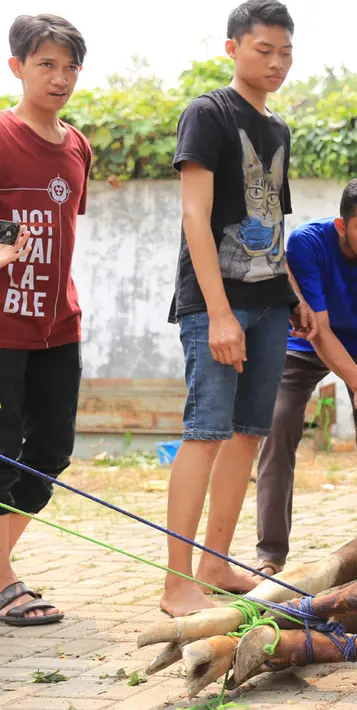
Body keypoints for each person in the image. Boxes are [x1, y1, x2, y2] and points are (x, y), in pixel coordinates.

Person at [160, 0, 316, 617]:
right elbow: (195, 215)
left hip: (270, 303)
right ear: (232, 48)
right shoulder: (208, 113)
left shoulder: (277, 128)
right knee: (204, 434)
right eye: (263, 50)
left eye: (285, 53)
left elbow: (273, 223)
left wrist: (296, 297)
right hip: (215, 305)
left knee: (248, 435)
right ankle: (176, 583)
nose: (276, 63)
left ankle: (216, 564)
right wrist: (219, 314)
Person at [253, 176, 357, 576]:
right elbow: (318, 329)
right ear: (341, 225)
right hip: (305, 345)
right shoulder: (307, 244)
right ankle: (270, 555)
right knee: (277, 427)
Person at [0, 13, 91, 627]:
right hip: (3, 328)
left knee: (49, 454)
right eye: (46, 65)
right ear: (16, 68)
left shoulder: (77, 143)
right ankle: (4, 582)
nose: (60, 77)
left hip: (59, 325)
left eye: (70, 66)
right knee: (3, 456)